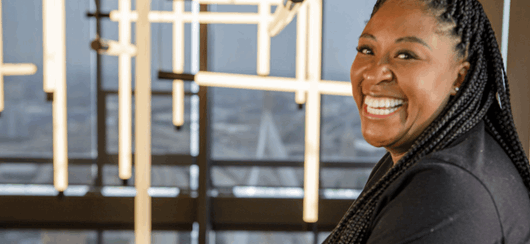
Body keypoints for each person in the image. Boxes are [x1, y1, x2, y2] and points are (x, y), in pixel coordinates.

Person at [323, 0, 530, 243]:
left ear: (460, 77)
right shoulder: (418, 157)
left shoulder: (445, 193)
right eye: (367, 50)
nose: (373, 73)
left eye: (406, 55)